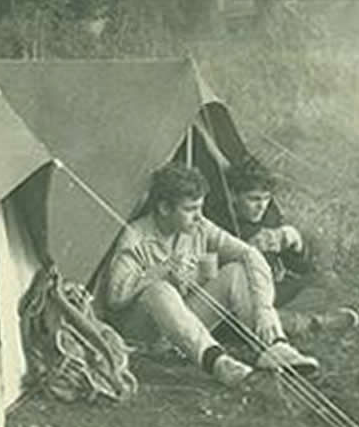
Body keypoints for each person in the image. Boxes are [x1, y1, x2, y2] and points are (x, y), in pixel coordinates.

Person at [101, 161, 319, 388]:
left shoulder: (199, 227)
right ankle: (218, 363)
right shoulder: (135, 236)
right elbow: (115, 296)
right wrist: (160, 272)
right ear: (164, 208)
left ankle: (274, 345)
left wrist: (264, 309)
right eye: (190, 209)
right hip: (145, 332)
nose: (198, 216)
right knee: (160, 290)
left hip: (184, 326)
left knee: (236, 271)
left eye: (200, 208)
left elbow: (249, 253)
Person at [225, 154, 359, 335]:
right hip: (245, 297)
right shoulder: (224, 223)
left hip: (273, 291)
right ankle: (311, 323)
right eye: (253, 199)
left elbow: (303, 268)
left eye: (266, 198)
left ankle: (283, 319)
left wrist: (295, 242)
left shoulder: (268, 217)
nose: (261, 206)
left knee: (327, 280)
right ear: (233, 196)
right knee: (241, 314)